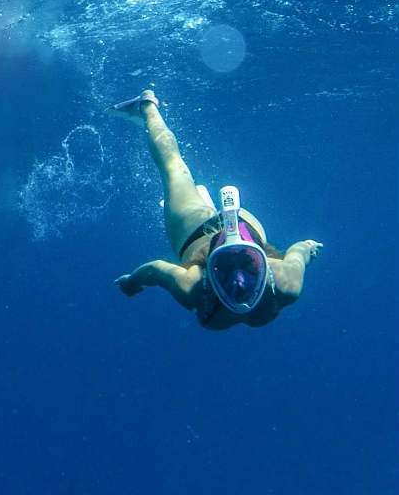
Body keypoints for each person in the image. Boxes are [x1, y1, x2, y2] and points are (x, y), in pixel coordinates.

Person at [110, 89, 322, 330]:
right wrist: (308, 247)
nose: (239, 283)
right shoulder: (285, 283)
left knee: (175, 167)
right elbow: (297, 254)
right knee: (171, 168)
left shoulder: (192, 288)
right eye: (227, 270)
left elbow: (154, 270)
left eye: (246, 267)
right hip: (202, 229)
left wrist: (131, 283)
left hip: (207, 226)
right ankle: (147, 106)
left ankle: (147, 107)